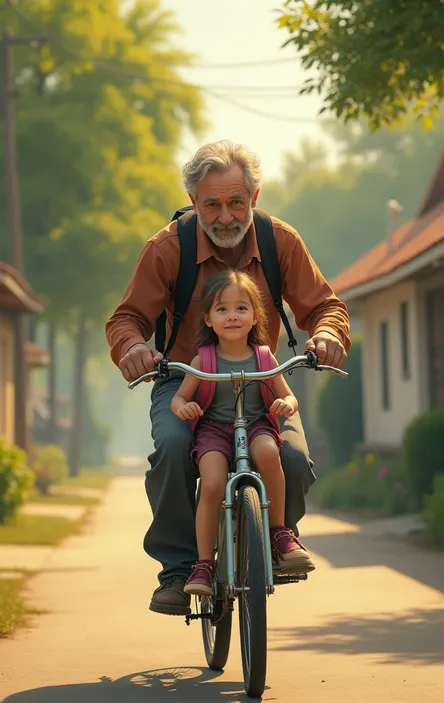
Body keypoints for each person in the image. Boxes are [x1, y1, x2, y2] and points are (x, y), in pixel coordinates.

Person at [105, 139, 350, 616]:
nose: (224, 216)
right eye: (211, 204)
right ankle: (178, 570)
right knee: (175, 447)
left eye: (236, 202)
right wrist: (133, 347)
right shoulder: (166, 248)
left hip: (261, 377)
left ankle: (276, 537)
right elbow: (126, 318)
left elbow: (325, 306)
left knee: (293, 457)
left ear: (253, 199)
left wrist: (326, 334)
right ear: (195, 203)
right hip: (187, 379)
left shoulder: (281, 242)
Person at [171, 270, 315, 597]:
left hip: (256, 424)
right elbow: (181, 396)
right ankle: (204, 564)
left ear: (255, 316)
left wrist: (285, 404)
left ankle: (279, 533)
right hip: (213, 432)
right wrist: (182, 408)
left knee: (269, 453)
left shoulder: (264, 357)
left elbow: (288, 394)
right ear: (207, 319)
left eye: (241, 308)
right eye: (222, 309)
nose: (232, 316)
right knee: (211, 483)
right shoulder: (203, 360)